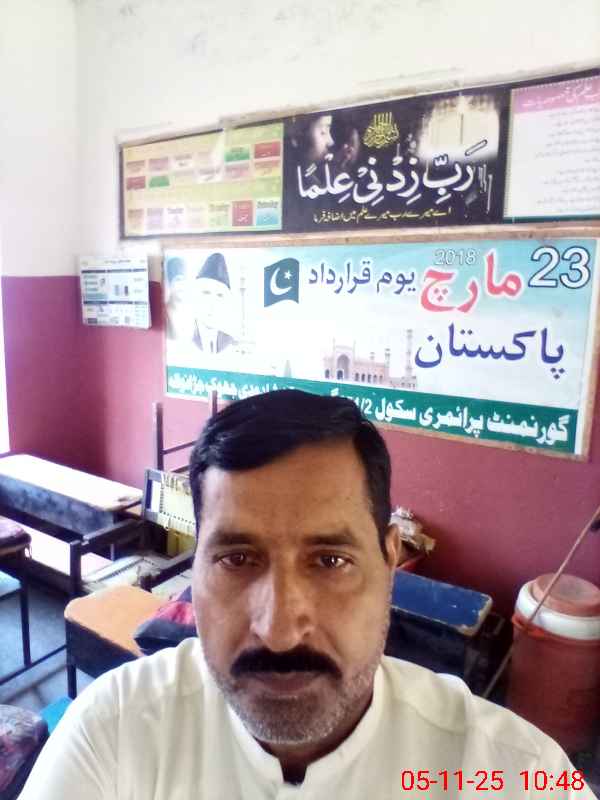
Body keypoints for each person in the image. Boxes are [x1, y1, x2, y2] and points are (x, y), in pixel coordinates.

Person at [19, 390, 597, 798]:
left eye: (330, 561)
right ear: (195, 566)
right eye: (237, 559)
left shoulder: (512, 774)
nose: (278, 631)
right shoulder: (116, 730)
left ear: (390, 561)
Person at [192, 251, 235, 354]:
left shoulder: (229, 343)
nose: (213, 303)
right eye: (206, 293)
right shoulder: (185, 340)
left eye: (219, 295)